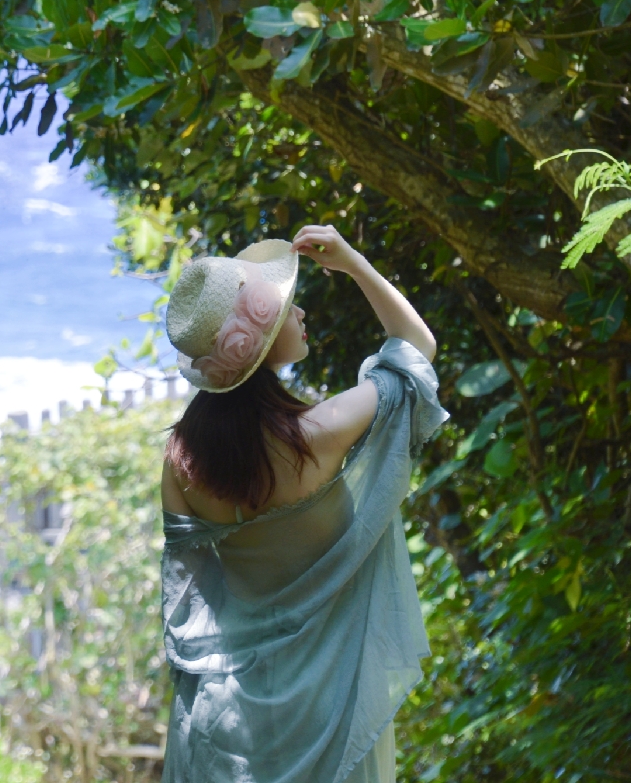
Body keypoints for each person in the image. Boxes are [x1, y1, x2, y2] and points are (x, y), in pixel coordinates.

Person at [159, 224, 447, 783]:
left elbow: (191, 596)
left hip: (230, 716)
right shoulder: (321, 432)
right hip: (331, 700)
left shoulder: (180, 462)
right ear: (261, 345)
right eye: (289, 306)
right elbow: (417, 351)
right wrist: (353, 262)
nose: (301, 312)